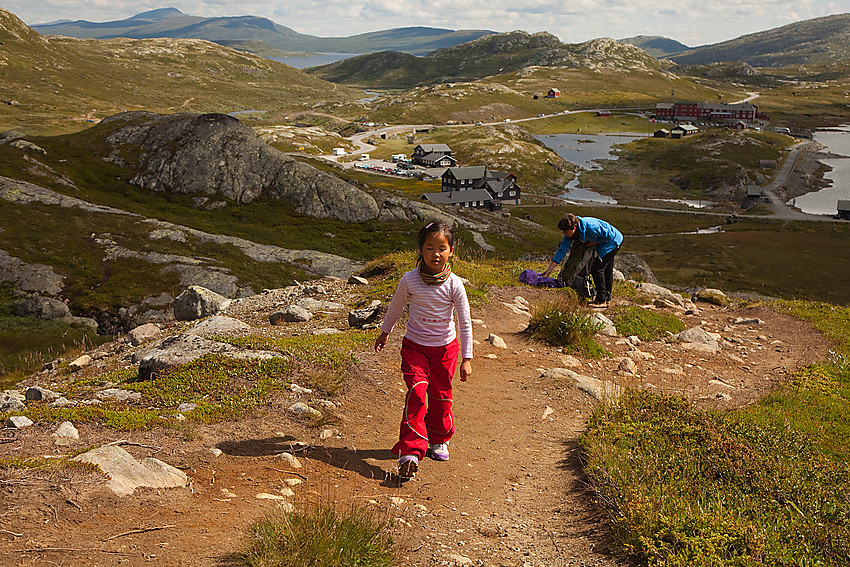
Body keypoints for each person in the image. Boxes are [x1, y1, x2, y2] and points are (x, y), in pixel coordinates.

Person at [374, 222, 473, 479]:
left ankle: (439, 439)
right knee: (417, 392)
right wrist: (385, 332)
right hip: (415, 347)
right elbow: (395, 307)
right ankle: (411, 450)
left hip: (445, 349)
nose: (435, 253)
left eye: (442, 248)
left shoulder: (455, 285)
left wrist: (467, 358)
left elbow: (464, 321)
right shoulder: (409, 279)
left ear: (451, 251)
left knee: (440, 395)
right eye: (430, 247)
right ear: (421, 249)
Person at [541, 213, 623, 308]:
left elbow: (606, 237)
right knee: (605, 269)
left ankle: (601, 300)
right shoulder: (570, 234)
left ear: (574, 227)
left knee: (597, 269)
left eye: (566, 232)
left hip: (613, 241)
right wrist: (548, 271)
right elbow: (561, 251)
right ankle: (606, 296)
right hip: (606, 241)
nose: (564, 234)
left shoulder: (592, 227)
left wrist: (590, 244)